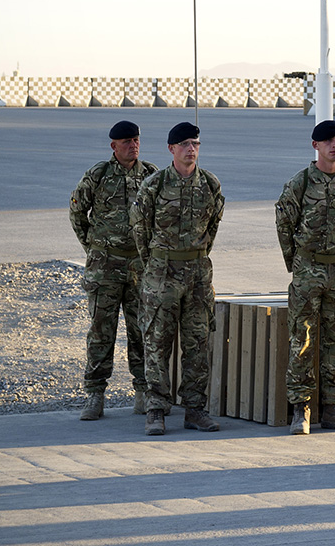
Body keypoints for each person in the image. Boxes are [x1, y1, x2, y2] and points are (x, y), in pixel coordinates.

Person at [130, 121, 225, 436]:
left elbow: (211, 228)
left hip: (197, 275)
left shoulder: (210, 185)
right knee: (157, 342)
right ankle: (156, 409)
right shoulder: (154, 186)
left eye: (195, 144)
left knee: (198, 343)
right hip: (162, 274)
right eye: (184, 144)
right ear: (171, 149)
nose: (191, 149)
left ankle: (195, 409)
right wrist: (156, 263)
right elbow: (141, 229)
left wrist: (195, 256)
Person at [275, 120, 335, 435]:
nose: (334, 145)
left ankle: (333, 406)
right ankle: (300, 408)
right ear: (315, 145)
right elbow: (284, 224)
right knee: (302, 339)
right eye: (327, 140)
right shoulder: (299, 184)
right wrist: (298, 263)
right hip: (307, 269)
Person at [70, 120, 159, 421]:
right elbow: (77, 213)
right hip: (104, 267)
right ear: (114, 146)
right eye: (126, 141)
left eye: (136, 140)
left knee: (142, 331)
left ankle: (144, 392)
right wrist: (93, 248)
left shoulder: (150, 175)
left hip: (139, 267)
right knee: (100, 332)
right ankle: (95, 395)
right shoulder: (98, 175)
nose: (133, 145)